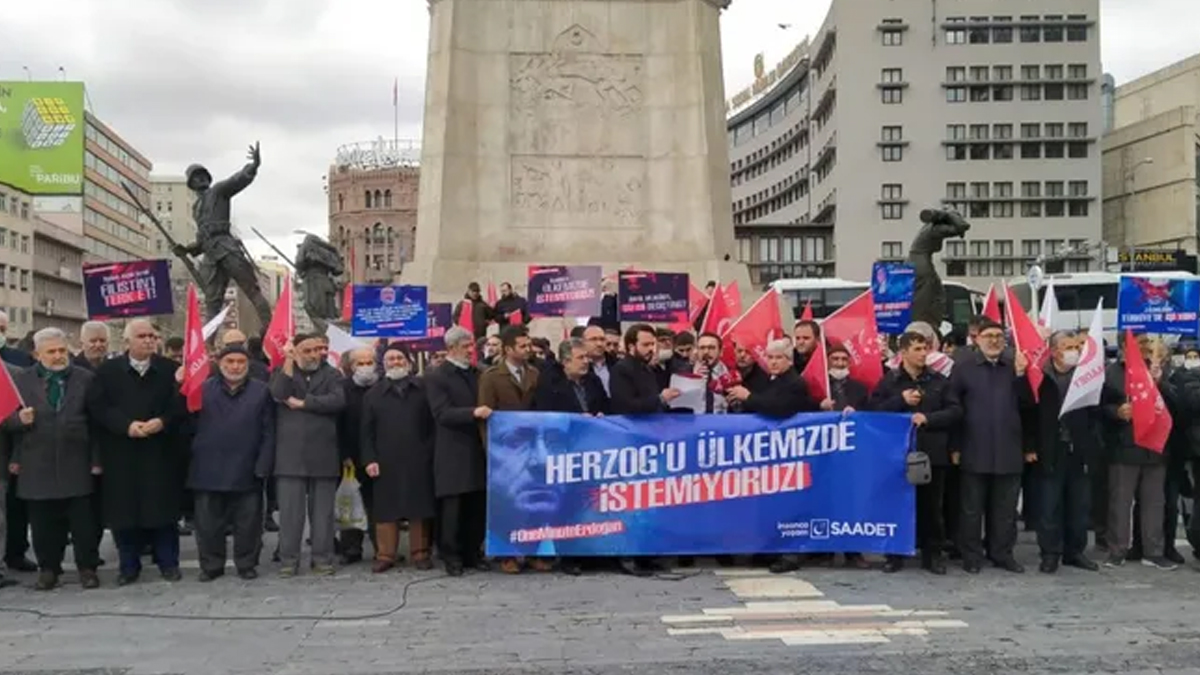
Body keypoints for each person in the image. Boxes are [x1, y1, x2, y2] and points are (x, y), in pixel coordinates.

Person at [87, 319, 186, 585]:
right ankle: (128, 566)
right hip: (122, 451)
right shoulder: (107, 371)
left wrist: (163, 421)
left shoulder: (170, 370)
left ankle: (168, 563)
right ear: (127, 341)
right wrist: (126, 426)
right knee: (124, 513)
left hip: (160, 451)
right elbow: (99, 407)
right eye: (142, 336)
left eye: (152, 336)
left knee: (163, 511)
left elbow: (181, 405)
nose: (149, 340)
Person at [5, 328, 102, 591]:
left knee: (83, 522)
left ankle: (87, 568)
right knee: (43, 522)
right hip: (36, 460)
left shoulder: (85, 379)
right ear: (37, 354)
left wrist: (97, 459)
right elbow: (5, 420)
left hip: (77, 459)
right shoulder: (21, 380)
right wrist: (18, 420)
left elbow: (97, 423)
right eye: (51, 352)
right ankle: (49, 569)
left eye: (62, 350)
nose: (58, 356)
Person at [871, 331, 963, 575]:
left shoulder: (938, 380)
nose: (923, 354)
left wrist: (929, 418)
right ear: (903, 352)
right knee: (896, 504)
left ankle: (933, 554)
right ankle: (895, 554)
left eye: (926, 349)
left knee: (932, 506)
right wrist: (900, 401)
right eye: (918, 349)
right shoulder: (889, 381)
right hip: (896, 454)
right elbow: (873, 411)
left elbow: (955, 411)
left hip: (931, 451)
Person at [950, 318, 1031, 574]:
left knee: (1005, 510)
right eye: (988, 336)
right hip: (974, 448)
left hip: (1009, 449)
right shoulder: (963, 369)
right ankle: (971, 555)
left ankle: (1002, 553)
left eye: (998, 336)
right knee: (972, 509)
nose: (994, 341)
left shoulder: (1014, 367)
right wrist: (955, 446)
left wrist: (1022, 376)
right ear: (977, 339)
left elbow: (1029, 407)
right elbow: (953, 408)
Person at [189, 344, 275, 581]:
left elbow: (269, 431)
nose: (235, 367)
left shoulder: (261, 391)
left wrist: (264, 464)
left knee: (248, 524)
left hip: (247, 467)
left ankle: (246, 563)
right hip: (208, 467)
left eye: (240, 362)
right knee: (208, 524)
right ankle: (211, 566)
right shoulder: (202, 389)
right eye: (230, 361)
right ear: (219, 363)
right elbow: (187, 425)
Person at [269, 333, 346, 577]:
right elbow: (279, 393)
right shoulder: (283, 372)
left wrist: (305, 403)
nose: (315, 355)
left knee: (323, 514)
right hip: (290, 454)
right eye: (308, 350)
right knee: (290, 514)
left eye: (317, 350)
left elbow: (337, 401)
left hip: (324, 452)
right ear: (296, 352)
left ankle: (322, 558)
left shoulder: (332, 374)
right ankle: (288, 560)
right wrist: (288, 362)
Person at [1101, 335, 1177, 570]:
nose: (1146, 347)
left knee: (1154, 502)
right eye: (1140, 342)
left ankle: (1153, 551)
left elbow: (1175, 403)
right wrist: (1116, 412)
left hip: (1154, 446)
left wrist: (1160, 382)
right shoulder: (1111, 373)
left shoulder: (1157, 369)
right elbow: (1099, 407)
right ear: (1125, 345)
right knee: (1120, 503)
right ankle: (1117, 550)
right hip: (1124, 447)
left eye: (1148, 342)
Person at [610, 323, 679, 576]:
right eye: (646, 344)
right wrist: (659, 399)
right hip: (631, 442)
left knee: (649, 501)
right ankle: (628, 555)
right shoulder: (622, 370)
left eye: (653, 344)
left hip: (650, 441)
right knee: (630, 502)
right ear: (631, 346)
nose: (651, 349)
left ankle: (648, 552)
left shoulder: (648, 369)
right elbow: (625, 405)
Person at [1029, 331, 1101, 574]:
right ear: (1054, 351)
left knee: (1079, 506)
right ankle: (1050, 553)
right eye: (1068, 347)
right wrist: (1030, 446)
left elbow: (1098, 411)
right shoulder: (1040, 376)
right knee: (1049, 506)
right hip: (1050, 449)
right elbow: (1028, 413)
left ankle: (1075, 551)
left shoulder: (1085, 376)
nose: (1074, 351)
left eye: (1075, 347)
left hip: (1079, 449)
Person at [362, 343, 437, 572]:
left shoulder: (423, 389)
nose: (395, 362)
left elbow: (433, 424)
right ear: (384, 364)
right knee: (386, 508)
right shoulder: (373, 394)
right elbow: (366, 431)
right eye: (391, 359)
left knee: (420, 507)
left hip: (419, 457)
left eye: (399, 358)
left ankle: (420, 553)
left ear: (409, 361)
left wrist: (429, 452)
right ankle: (385, 554)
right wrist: (370, 459)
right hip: (385, 459)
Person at [425, 326, 491, 576]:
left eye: (472, 345)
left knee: (476, 503)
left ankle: (473, 552)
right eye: (466, 346)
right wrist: (473, 413)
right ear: (451, 348)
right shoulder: (438, 376)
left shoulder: (477, 373)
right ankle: (451, 555)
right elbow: (441, 413)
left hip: (477, 446)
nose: (471, 350)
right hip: (453, 448)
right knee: (453, 506)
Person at [478, 325, 544, 574]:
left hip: (532, 448)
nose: (528, 350)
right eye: (522, 346)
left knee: (533, 501)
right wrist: (491, 450)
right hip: (504, 450)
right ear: (508, 349)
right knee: (507, 502)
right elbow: (485, 417)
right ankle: (507, 554)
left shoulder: (534, 373)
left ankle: (533, 551)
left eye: (529, 345)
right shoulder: (492, 377)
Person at [336, 347, 377, 565]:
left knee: (377, 503)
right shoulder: (342, 389)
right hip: (351, 455)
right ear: (351, 367)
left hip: (377, 456)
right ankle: (351, 548)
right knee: (351, 502)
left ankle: (383, 547)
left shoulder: (381, 387)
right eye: (360, 363)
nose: (365, 367)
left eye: (369, 362)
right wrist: (344, 454)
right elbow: (338, 425)